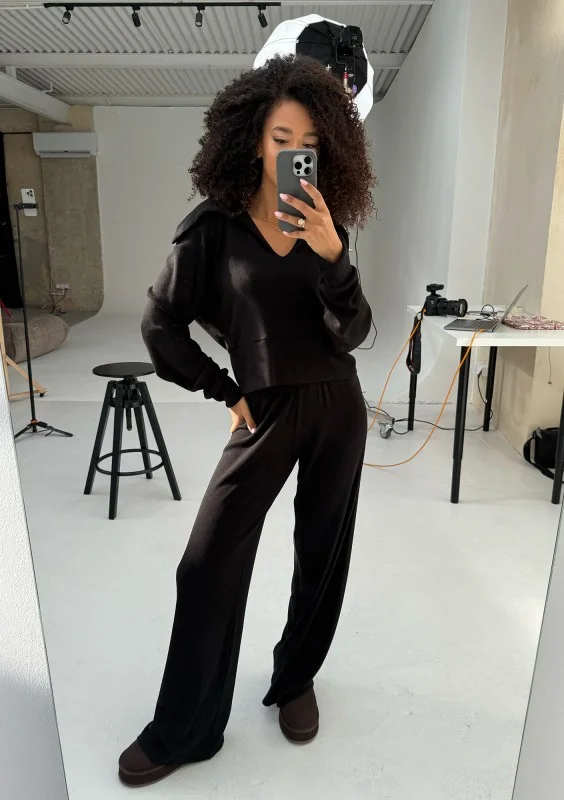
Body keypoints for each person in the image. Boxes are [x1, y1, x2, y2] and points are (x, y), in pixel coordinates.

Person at [118, 53, 376, 788]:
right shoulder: (212, 228)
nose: (295, 153)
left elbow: (355, 331)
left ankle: (296, 677)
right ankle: (188, 728)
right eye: (281, 138)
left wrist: (334, 256)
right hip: (265, 409)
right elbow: (160, 325)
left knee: (322, 551)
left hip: (337, 404)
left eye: (310, 142)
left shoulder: (327, 226)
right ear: (253, 140)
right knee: (206, 566)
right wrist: (222, 388)